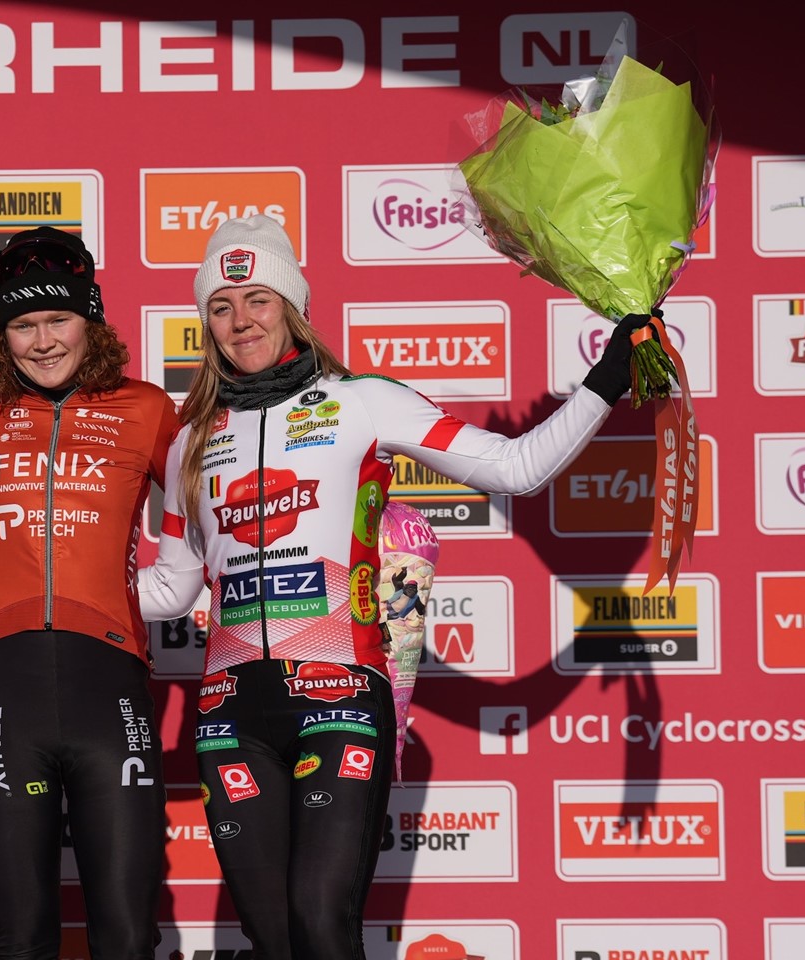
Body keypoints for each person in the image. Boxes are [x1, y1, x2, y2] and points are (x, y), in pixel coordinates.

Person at [138, 215, 646, 960]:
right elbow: (170, 589)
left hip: (340, 693)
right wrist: (27, 583)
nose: (240, 320)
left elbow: (515, 468)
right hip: (230, 709)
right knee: (272, 937)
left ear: (292, 305)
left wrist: (606, 380)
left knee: (321, 921)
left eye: (258, 299)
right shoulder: (191, 438)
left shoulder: (363, 401)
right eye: (221, 306)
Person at [0, 227, 180, 960]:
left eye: (59, 319)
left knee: (126, 934)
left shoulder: (147, 408)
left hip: (107, 682)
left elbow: (210, 521)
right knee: (20, 939)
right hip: (2, 686)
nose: (43, 341)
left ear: (92, 319)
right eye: (23, 324)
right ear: (2, 335)